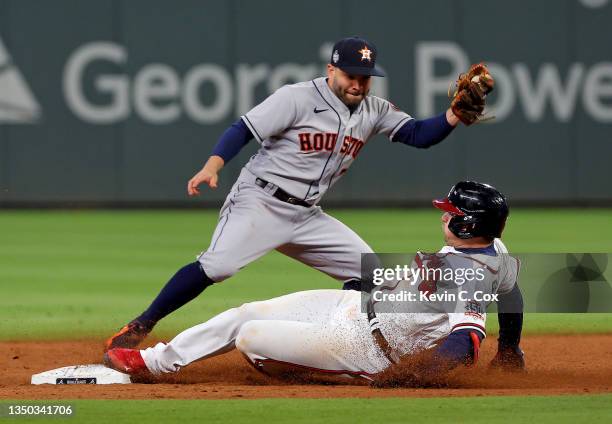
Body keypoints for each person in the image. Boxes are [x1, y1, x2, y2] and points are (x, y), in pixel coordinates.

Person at [105, 36, 492, 352]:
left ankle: (343, 342)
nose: (358, 83)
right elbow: (243, 128)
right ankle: (141, 324)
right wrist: (213, 165)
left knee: (372, 273)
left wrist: (454, 115)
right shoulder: (296, 97)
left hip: (307, 215)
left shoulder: (373, 108)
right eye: (351, 74)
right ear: (331, 70)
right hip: (259, 200)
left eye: (365, 76)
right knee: (218, 267)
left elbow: (419, 135)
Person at [104, 181, 524, 380]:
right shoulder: (496, 254)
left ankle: (334, 372)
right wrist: (509, 350)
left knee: (250, 335)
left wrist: (415, 376)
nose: (442, 214)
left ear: (468, 224)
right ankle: (156, 362)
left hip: (365, 348)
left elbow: (465, 342)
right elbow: (513, 293)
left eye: (450, 211)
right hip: (360, 310)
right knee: (248, 311)